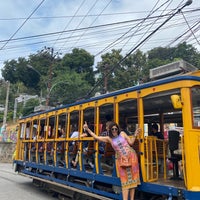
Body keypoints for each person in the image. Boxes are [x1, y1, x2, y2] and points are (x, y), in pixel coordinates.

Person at [83, 121, 141, 200]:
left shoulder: (123, 134)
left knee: (133, 181)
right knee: (125, 182)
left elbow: (131, 143)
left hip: (132, 157)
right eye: (112, 129)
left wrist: (135, 134)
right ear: (109, 130)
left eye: (115, 129)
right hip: (122, 160)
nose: (114, 131)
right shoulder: (109, 138)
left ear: (118, 129)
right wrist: (87, 129)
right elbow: (96, 137)